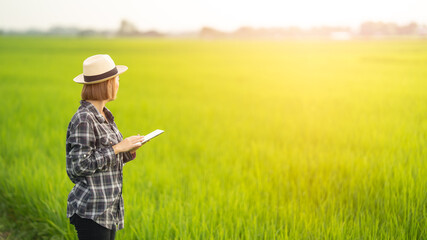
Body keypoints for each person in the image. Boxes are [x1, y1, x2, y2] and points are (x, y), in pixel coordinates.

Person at [66, 54, 148, 240]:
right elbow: (77, 167)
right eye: (117, 79)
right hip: (91, 210)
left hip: (108, 210)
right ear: (107, 84)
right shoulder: (84, 119)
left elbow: (108, 160)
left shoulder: (105, 116)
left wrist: (129, 149)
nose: (119, 83)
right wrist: (118, 148)